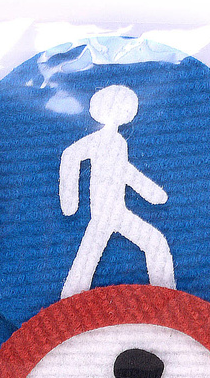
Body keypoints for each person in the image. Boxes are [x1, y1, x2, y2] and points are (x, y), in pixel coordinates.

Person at [59, 84, 175, 297]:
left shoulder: (120, 142)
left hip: (118, 212)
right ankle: (68, 302)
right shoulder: (97, 140)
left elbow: (124, 171)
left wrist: (151, 192)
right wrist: (70, 201)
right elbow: (70, 155)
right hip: (102, 214)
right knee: (87, 258)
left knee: (155, 242)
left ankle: (167, 298)